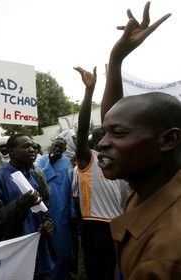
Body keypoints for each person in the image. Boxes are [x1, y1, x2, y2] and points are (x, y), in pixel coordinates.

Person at [101, 3, 179, 279]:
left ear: (168, 140)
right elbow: (116, 120)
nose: (101, 143)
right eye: (105, 133)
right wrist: (117, 58)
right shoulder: (150, 185)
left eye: (117, 134)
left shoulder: (165, 255)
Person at [73, 66, 129, 280]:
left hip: (120, 225)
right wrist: (89, 91)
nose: (106, 142)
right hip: (94, 227)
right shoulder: (88, 160)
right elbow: (81, 129)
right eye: (100, 138)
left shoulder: (121, 162)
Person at [0, 133, 55, 280]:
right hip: (15, 256)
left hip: (40, 252)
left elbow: (45, 211)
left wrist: (49, 224)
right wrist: (19, 205)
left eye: (34, 146)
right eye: (26, 146)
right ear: (12, 151)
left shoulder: (37, 175)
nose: (32, 149)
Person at [38, 138, 75, 279]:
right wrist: (50, 162)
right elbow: (39, 179)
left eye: (61, 147)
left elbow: (72, 189)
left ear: (65, 149)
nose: (57, 149)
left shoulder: (69, 163)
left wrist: (72, 213)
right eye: (55, 146)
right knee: (45, 248)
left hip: (62, 212)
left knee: (62, 249)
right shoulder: (42, 161)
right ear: (51, 145)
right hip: (45, 210)